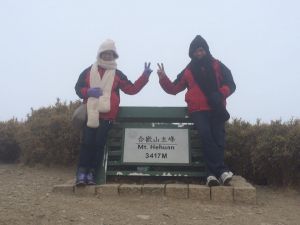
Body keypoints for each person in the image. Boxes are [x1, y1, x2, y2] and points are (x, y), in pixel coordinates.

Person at [157, 35, 236, 187]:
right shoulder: (188, 70)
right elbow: (173, 88)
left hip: (216, 107)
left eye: (201, 50)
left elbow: (231, 84)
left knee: (218, 140)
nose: (199, 53)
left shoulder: (218, 65)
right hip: (198, 110)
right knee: (207, 136)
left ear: (206, 50)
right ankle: (221, 171)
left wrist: (220, 94)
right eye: (195, 51)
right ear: (191, 53)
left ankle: (212, 174)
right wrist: (163, 78)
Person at [74, 39, 152, 186]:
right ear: (100, 54)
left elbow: (131, 89)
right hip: (91, 113)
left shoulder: (117, 74)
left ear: (114, 56)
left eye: (111, 54)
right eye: (105, 53)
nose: (108, 56)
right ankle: (81, 173)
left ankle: (91, 173)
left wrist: (145, 76)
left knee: (98, 144)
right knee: (87, 144)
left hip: (107, 116)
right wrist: (88, 91)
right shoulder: (88, 71)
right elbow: (78, 88)